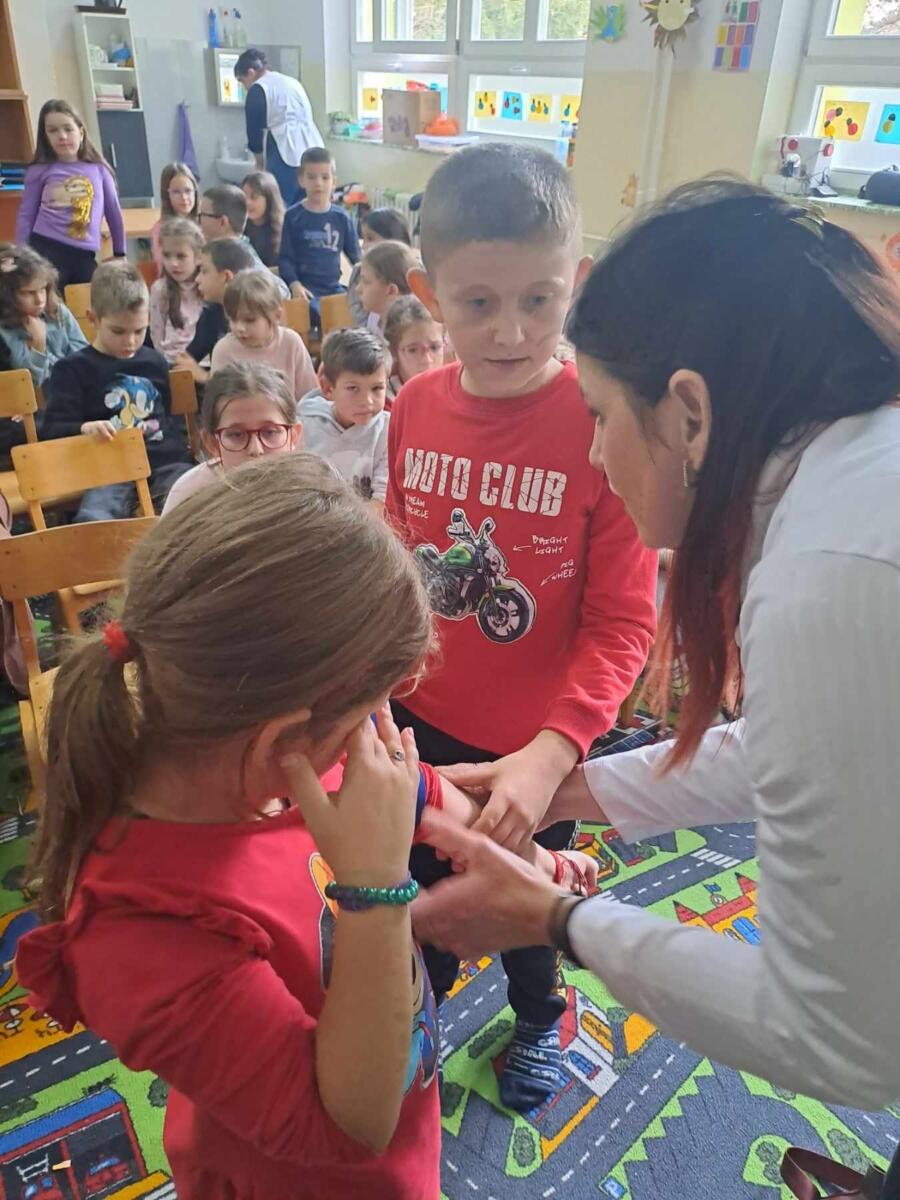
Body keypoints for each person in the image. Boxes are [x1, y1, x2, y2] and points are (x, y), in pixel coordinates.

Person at [410, 179, 900, 1118]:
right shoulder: (845, 488)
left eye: (599, 415)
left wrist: (559, 916)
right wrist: (565, 788)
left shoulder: (828, 578)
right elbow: (792, 756)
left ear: (690, 413)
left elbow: (842, 1036)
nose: (594, 453)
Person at [15, 454, 442, 1200]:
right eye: (372, 709)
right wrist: (379, 890)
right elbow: (348, 1127)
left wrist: (497, 840)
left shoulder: (277, 769)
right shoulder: (139, 933)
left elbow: (411, 792)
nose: (378, 732)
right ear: (281, 744)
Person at [386, 142, 658, 1112]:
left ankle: (542, 1016)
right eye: (478, 303)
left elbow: (623, 620)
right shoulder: (415, 405)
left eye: (540, 300)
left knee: (530, 915)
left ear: (575, 282)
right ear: (429, 295)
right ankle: (412, 1012)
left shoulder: (600, 421)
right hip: (416, 727)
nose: (511, 331)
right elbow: (398, 561)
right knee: (417, 894)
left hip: (534, 754)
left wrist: (552, 754)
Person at [42, 260, 191, 519]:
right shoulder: (71, 369)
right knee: (94, 519)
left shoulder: (154, 362)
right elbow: (52, 430)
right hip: (108, 469)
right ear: (93, 319)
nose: (130, 341)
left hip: (164, 463)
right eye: (118, 331)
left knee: (190, 506)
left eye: (139, 331)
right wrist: (84, 428)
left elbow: (169, 418)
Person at [162, 362, 302, 514]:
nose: (256, 450)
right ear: (212, 443)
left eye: (269, 432)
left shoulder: (309, 494)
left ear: (293, 436)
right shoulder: (190, 495)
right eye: (237, 435)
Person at [15, 100, 126, 288]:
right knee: (51, 302)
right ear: (45, 136)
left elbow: (113, 212)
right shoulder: (39, 170)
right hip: (45, 249)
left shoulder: (99, 170)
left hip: (84, 255)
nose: (62, 136)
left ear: (81, 133)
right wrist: (22, 255)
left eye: (68, 129)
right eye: (53, 131)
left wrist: (120, 252)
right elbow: (27, 214)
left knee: (88, 302)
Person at [299, 328, 389, 513]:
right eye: (353, 388)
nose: (367, 401)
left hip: (364, 525)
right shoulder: (305, 424)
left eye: (377, 388)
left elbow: (381, 501)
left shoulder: (388, 431)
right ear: (328, 388)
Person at [235, 47, 324, 206]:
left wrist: (259, 163)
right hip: (313, 146)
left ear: (250, 72)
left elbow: (253, 131)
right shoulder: (292, 81)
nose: (245, 86)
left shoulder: (259, 88)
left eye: (242, 81)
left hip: (284, 151)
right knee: (310, 204)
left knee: (280, 205)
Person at [211, 269, 316, 399]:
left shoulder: (291, 342)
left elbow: (310, 397)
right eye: (233, 319)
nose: (239, 328)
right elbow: (218, 403)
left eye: (249, 320)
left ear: (277, 316)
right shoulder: (224, 351)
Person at [279, 148, 360, 311]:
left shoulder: (342, 218)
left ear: (334, 182)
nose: (318, 183)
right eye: (311, 177)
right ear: (301, 180)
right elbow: (285, 258)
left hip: (333, 288)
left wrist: (362, 284)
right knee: (313, 313)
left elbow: (357, 258)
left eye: (325, 177)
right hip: (304, 290)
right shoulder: (293, 216)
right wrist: (294, 284)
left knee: (354, 311)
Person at [0, 242, 87, 388]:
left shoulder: (56, 310)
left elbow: (83, 354)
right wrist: (39, 344)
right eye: (29, 293)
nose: (40, 300)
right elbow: (31, 384)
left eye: (42, 289)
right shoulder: (5, 331)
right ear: (8, 295)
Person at [174, 237, 257, 384]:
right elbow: (188, 359)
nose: (197, 279)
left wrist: (204, 377)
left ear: (226, 277)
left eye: (204, 271)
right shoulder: (211, 315)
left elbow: (255, 378)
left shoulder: (259, 316)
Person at [198, 185, 289, 298]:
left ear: (222, 221)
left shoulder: (241, 255)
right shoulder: (213, 251)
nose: (198, 220)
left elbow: (282, 293)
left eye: (202, 215)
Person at [149, 217, 205, 363]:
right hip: (171, 363)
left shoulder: (207, 287)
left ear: (198, 257)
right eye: (167, 255)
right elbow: (157, 334)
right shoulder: (160, 289)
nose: (173, 263)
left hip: (202, 363)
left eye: (181, 256)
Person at [349, 207, 412, 325]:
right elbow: (358, 317)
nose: (364, 246)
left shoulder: (415, 274)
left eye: (370, 238)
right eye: (363, 238)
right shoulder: (359, 271)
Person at [383, 294, 445, 404]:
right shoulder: (385, 401)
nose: (427, 360)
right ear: (394, 351)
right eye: (413, 350)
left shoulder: (458, 389)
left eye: (434, 348)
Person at [357, 240, 419, 341]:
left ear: (391, 291)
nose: (358, 289)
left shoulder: (415, 332)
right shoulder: (374, 318)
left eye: (365, 281)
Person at [150, 162, 200, 269]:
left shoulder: (204, 222)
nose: (184, 197)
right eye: (176, 192)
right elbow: (163, 267)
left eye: (188, 191)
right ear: (166, 195)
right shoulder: (160, 229)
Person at [241, 170, 285, 269]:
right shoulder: (239, 227)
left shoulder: (284, 229)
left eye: (254, 197)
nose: (247, 202)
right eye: (244, 197)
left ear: (269, 199)